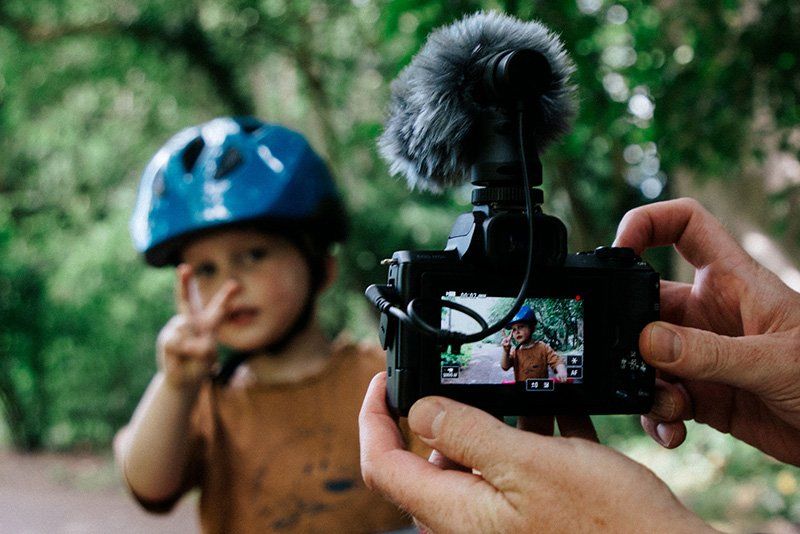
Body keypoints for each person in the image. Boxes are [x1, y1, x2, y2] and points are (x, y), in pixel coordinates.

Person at [359, 198, 800, 532]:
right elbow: (505, 363)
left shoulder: (545, 347)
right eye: (514, 330)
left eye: (521, 329)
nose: (517, 334)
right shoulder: (512, 347)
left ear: (532, 329)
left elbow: (558, 367)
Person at [114, 117, 417, 533]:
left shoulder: (385, 381)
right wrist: (177, 384)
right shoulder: (206, 402)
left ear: (321, 268)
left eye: (254, 255)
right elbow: (148, 487)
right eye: (205, 269)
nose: (230, 286)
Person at [500, 305, 567, 383]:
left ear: (532, 328)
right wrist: (506, 350)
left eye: (521, 327)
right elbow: (505, 367)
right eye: (514, 329)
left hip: (540, 388)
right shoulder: (515, 351)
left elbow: (557, 361)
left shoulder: (543, 347)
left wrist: (561, 371)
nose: (517, 331)